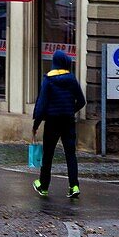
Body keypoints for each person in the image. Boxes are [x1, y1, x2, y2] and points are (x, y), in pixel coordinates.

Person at [32, 49, 85, 199]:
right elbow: (81, 101)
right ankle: (74, 186)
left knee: (48, 155)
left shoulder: (48, 80)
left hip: (52, 122)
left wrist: (36, 124)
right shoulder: (72, 79)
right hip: (68, 121)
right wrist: (70, 110)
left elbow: (42, 104)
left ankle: (43, 186)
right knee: (70, 154)